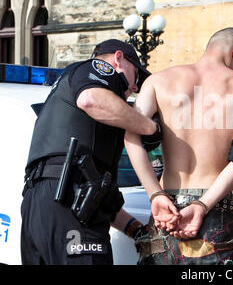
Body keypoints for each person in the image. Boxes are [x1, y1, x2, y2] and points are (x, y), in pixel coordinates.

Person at [124, 27, 233, 265]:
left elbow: (130, 136)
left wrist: (155, 194)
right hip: (218, 213)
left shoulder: (157, 81)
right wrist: (201, 204)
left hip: (165, 211)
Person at [21, 39, 158, 265]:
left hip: (41, 207)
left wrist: (136, 231)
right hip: (67, 202)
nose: (135, 87)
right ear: (119, 59)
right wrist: (150, 127)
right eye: (137, 77)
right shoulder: (97, 71)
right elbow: (91, 99)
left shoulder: (65, 104)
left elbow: (94, 197)